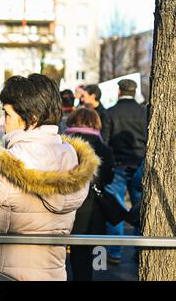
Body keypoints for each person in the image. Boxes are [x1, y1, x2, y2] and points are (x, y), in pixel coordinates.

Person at [0, 74, 100, 281]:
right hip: (52, 273)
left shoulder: (4, 164)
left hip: (0, 273)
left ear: (32, 118)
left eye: (7, 114)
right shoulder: (72, 158)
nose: (1, 121)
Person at [65, 108, 115, 281]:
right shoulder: (104, 150)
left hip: (61, 210)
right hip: (90, 213)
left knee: (55, 261)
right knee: (83, 261)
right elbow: (108, 178)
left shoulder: (62, 145)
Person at [104, 79, 147, 264]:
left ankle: (115, 252)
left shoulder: (110, 113)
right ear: (135, 91)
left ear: (120, 91)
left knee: (116, 208)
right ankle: (140, 251)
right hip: (139, 165)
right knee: (141, 209)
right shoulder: (145, 113)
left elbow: (105, 142)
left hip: (119, 166)